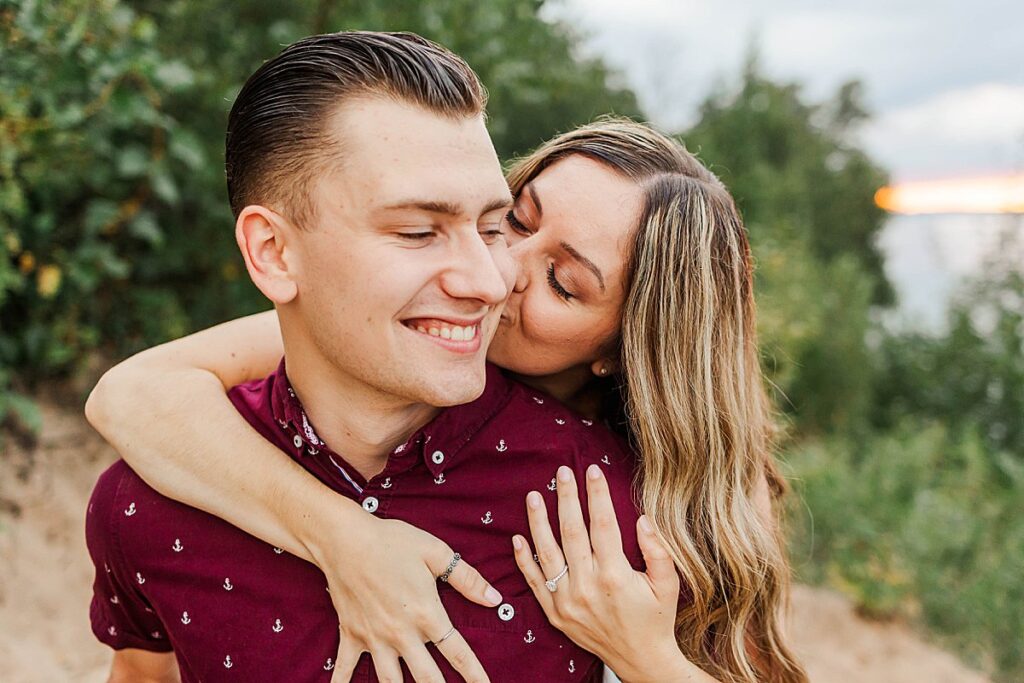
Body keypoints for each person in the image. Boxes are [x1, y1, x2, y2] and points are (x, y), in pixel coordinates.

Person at [87, 37, 807, 683]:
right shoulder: (347, 327)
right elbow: (134, 396)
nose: (496, 276)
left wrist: (649, 661)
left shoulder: (624, 520)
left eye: (563, 282)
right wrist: (345, 536)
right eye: (512, 222)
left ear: (619, 355)